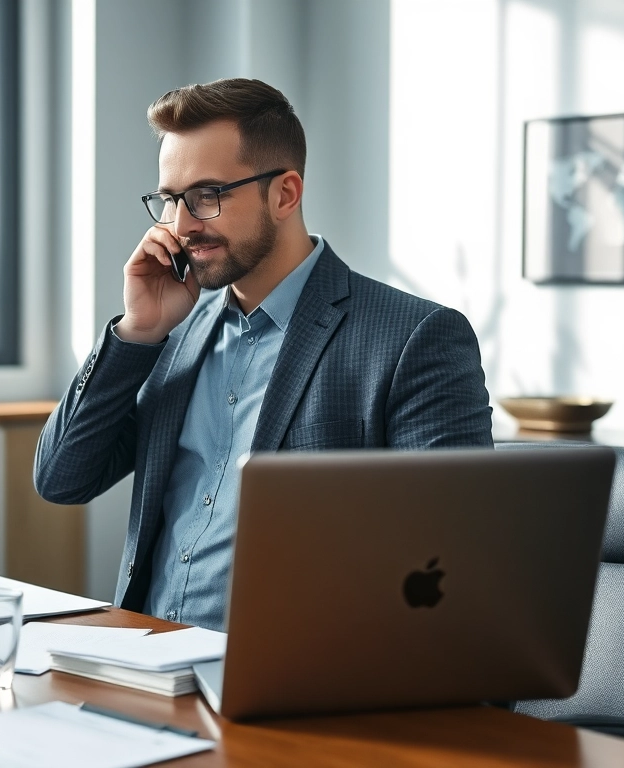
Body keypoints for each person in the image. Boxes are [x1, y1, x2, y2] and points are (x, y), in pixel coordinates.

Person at [35, 78, 492, 632]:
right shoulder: (174, 331)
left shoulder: (414, 337)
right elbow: (62, 479)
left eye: (207, 196)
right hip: (146, 654)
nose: (181, 226)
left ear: (285, 194)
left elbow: (451, 563)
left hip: (292, 670)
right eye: (170, 200)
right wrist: (137, 331)